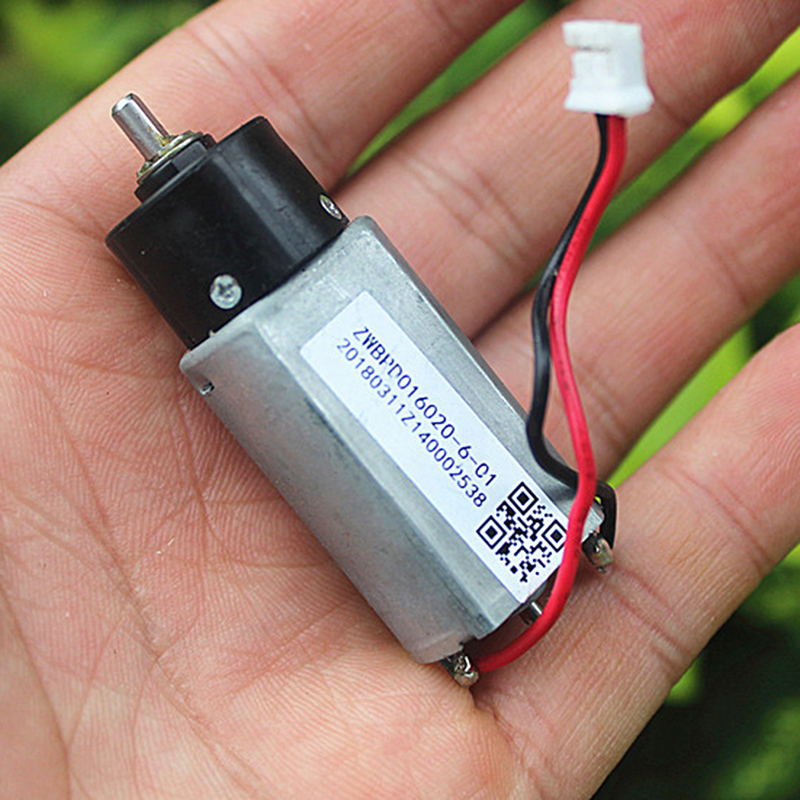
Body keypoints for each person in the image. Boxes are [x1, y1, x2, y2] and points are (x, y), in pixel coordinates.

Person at [1, 0, 799, 796]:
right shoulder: (236, 343)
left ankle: (527, 576)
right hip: (271, 319)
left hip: (317, 278)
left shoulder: (329, 271)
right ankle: (543, 561)